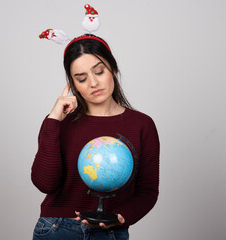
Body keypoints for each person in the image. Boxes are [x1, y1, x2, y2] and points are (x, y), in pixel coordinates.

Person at [31, 34, 160, 240]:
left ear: (114, 70)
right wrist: (53, 119)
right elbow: (45, 184)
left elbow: (148, 191)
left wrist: (121, 217)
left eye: (99, 72)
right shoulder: (59, 123)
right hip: (57, 229)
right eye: (81, 78)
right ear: (72, 84)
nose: (93, 83)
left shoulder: (142, 125)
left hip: (110, 232)